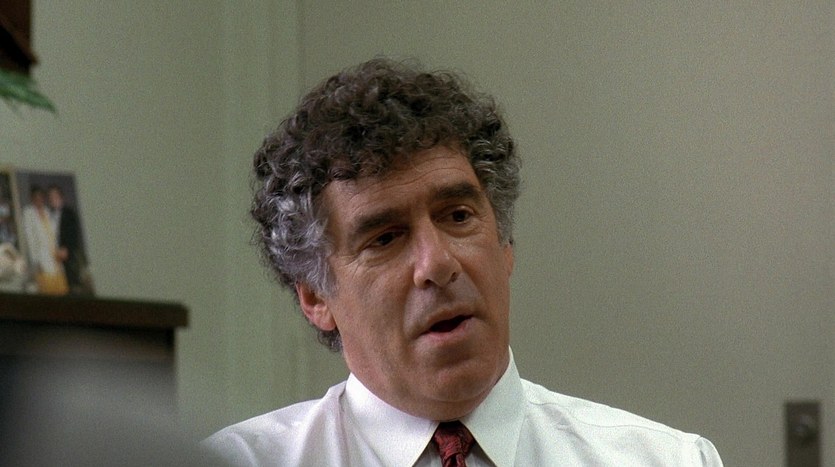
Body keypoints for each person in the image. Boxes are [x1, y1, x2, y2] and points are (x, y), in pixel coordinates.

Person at [203, 58, 723, 466]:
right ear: (316, 296)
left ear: (505, 244)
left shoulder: (667, 460)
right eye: (385, 238)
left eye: (457, 216)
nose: (438, 263)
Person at [22, 185, 68, 295]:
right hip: (41, 256)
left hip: (55, 254)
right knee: (47, 288)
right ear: (32, 199)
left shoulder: (48, 211)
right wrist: (36, 261)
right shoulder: (28, 213)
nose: (39, 200)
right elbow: (30, 239)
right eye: (36, 197)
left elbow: (56, 233)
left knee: (61, 288)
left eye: (41, 197)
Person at [47, 185, 92, 295]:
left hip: (68, 254)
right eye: (51, 197)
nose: (53, 199)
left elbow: (73, 234)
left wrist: (66, 249)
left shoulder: (69, 213)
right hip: (56, 255)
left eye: (55, 196)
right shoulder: (50, 215)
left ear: (61, 197)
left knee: (73, 284)